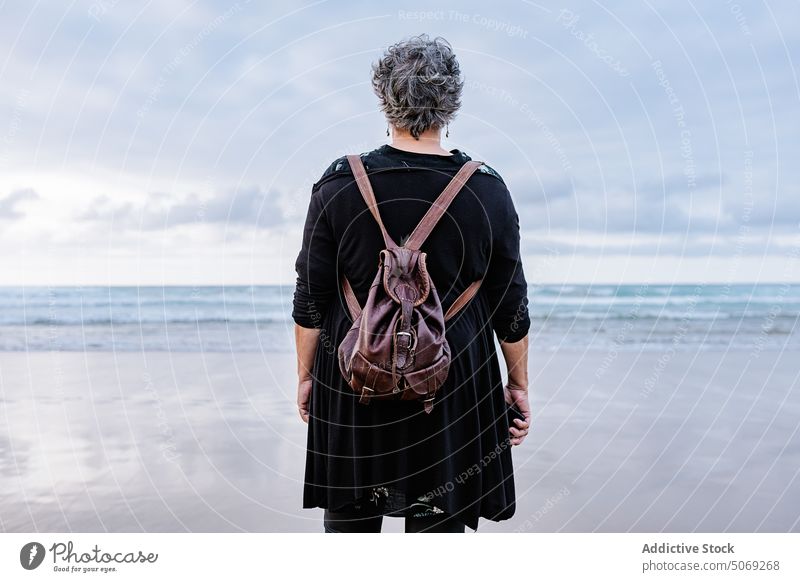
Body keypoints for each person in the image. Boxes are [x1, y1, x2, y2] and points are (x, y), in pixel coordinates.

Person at [292, 34, 531, 533]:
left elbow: (310, 299)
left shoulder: (338, 182)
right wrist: (518, 385)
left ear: (384, 97)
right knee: (437, 533)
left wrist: (307, 376)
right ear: (452, 102)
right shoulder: (487, 189)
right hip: (455, 381)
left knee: (350, 534)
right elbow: (510, 306)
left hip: (353, 374)